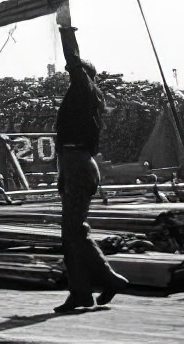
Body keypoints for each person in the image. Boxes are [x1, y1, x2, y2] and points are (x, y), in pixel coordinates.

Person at [53, 18, 128, 313]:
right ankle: (89, 289)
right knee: (74, 232)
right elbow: (64, 144)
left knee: (71, 232)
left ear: (83, 75)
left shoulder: (84, 89)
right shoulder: (83, 99)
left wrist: (65, 25)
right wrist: (61, 175)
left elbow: (73, 60)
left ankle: (97, 284)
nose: (68, 74)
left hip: (79, 166)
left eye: (74, 73)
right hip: (75, 166)